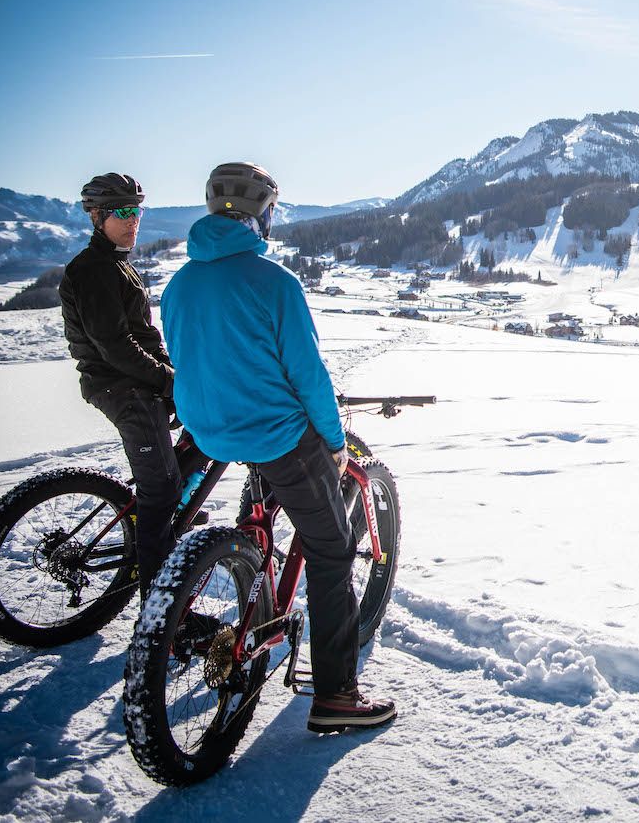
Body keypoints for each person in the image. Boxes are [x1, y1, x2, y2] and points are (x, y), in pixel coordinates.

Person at [160, 162, 394, 734]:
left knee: (262, 504)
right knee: (333, 551)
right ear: (262, 214)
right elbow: (309, 376)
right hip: (279, 437)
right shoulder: (275, 282)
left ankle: (251, 568)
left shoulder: (178, 283)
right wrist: (336, 445)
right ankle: (336, 695)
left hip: (210, 433)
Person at [59, 173, 181, 598]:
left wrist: (175, 375)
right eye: (123, 212)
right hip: (121, 388)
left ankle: (162, 520)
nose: (133, 221)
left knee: (172, 470)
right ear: (97, 217)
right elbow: (116, 347)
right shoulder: (94, 270)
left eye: (138, 211)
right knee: (161, 490)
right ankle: (160, 608)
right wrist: (167, 381)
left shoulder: (115, 264)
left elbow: (141, 334)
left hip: (133, 381)